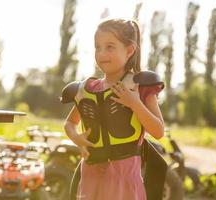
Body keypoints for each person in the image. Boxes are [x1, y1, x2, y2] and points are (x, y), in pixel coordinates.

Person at [61, 18, 165, 200]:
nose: (102, 53)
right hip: (92, 176)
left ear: (130, 50)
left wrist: (134, 103)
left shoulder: (139, 86)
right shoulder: (87, 89)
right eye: (97, 47)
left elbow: (158, 131)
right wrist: (76, 138)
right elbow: (70, 123)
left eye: (110, 46)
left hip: (123, 178)